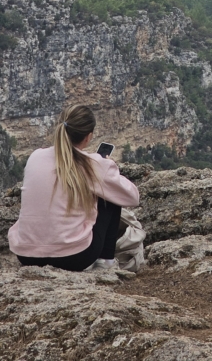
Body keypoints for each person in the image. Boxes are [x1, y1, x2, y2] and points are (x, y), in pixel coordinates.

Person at [8, 103, 139, 271]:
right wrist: (108, 168)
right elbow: (132, 197)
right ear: (88, 137)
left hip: (26, 255)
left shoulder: (35, 157)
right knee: (110, 195)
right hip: (73, 257)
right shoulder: (93, 164)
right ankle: (106, 262)